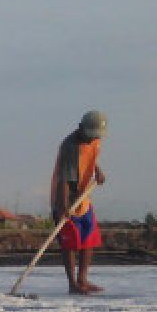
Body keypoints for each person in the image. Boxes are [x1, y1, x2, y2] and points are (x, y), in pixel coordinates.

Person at [51, 110, 107, 294]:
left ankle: (83, 279)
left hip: (83, 197)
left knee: (88, 238)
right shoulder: (70, 147)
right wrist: (63, 207)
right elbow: (64, 181)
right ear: (80, 128)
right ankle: (72, 284)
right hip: (65, 197)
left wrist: (97, 171)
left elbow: (90, 158)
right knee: (70, 242)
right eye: (89, 135)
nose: (92, 139)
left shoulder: (95, 139)